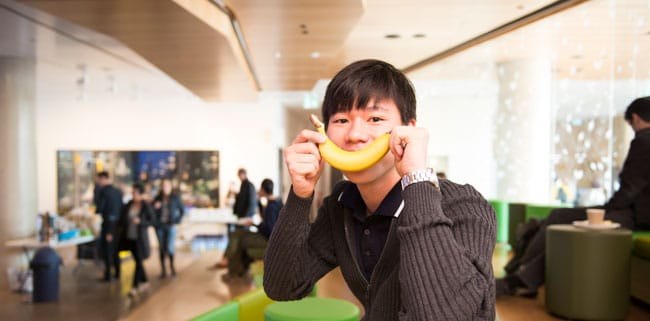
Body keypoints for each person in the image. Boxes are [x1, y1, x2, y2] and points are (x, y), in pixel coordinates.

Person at [263, 59, 496, 320]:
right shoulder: (341, 205)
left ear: (408, 129)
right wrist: (300, 195)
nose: (354, 135)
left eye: (375, 118)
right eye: (341, 119)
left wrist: (417, 179)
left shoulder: (465, 207)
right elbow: (282, 286)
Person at [496, 96, 650, 298]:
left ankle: (520, 276)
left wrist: (606, 210)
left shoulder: (643, 141)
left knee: (563, 224)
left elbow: (630, 188)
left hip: (638, 216)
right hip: (638, 213)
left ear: (636, 118)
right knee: (558, 218)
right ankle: (520, 273)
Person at [221, 178, 282, 282]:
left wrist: (254, 224)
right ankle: (235, 269)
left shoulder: (271, 207)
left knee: (239, 238)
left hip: (268, 240)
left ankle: (231, 268)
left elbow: (269, 230)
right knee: (239, 234)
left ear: (262, 189)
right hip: (271, 238)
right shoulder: (277, 202)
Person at [212, 168, 257, 269]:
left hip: (245, 218)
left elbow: (249, 203)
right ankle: (230, 260)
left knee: (236, 237)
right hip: (243, 217)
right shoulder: (245, 185)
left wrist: (245, 217)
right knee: (236, 237)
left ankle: (227, 260)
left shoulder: (247, 185)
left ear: (242, 174)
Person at [117, 183, 154, 295]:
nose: (134, 195)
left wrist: (141, 222)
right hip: (129, 237)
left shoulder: (145, 206)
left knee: (138, 261)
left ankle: (134, 286)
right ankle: (145, 280)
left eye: (136, 193)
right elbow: (122, 218)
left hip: (139, 238)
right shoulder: (128, 205)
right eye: (133, 192)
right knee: (137, 260)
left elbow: (152, 220)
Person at [94, 171, 123, 282]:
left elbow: (100, 208)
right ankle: (117, 273)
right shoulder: (117, 191)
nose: (98, 182)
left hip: (109, 225)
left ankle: (108, 275)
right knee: (115, 250)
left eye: (99, 179)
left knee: (108, 251)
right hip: (117, 226)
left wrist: (109, 231)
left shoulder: (104, 192)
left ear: (103, 179)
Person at [153, 178, 184, 278]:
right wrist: (155, 207)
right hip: (160, 226)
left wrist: (176, 221)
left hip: (171, 225)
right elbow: (151, 211)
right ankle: (163, 270)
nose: (165, 187)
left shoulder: (175, 197)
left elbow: (182, 211)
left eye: (167, 185)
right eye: (163, 185)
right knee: (161, 248)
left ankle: (172, 267)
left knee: (170, 248)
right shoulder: (158, 198)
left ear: (170, 186)